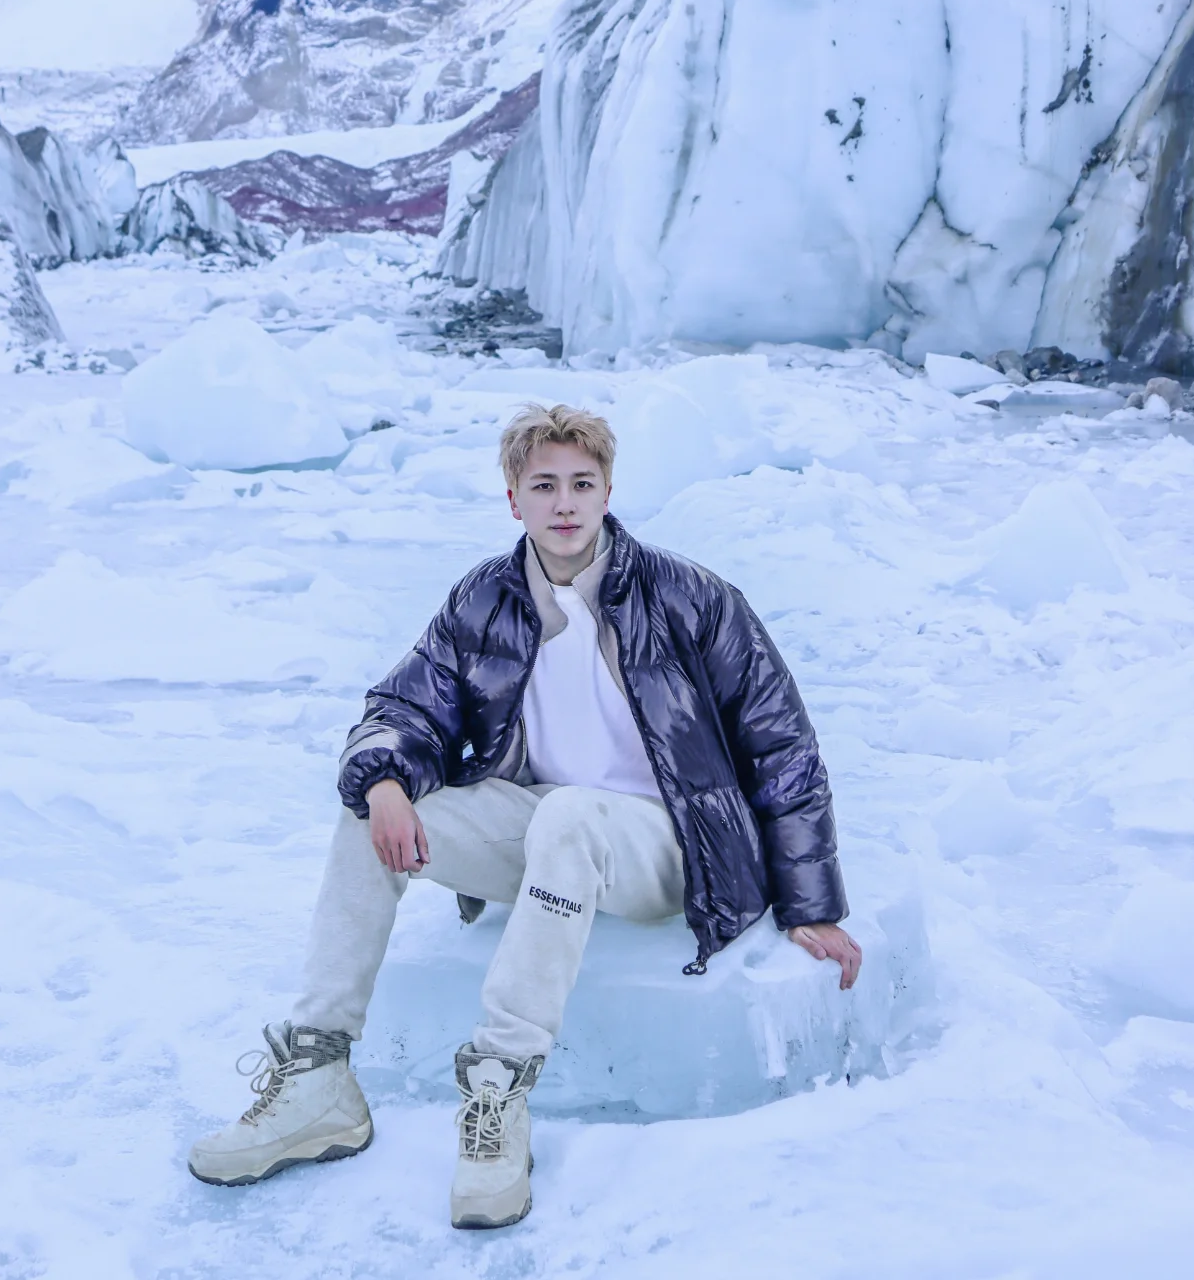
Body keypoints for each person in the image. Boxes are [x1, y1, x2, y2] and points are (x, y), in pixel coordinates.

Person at [188, 402, 860, 1228]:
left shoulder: (691, 596)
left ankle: (497, 1089)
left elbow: (781, 744)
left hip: (670, 840)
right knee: (370, 810)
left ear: (608, 491)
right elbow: (408, 703)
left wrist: (810, 905)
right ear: (514, 499)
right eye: (544, 485)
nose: (564, 503)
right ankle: (317, 1076)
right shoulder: (485, 599)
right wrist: (386, 779)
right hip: (545, 824)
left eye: (581, 483)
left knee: (570, 817)